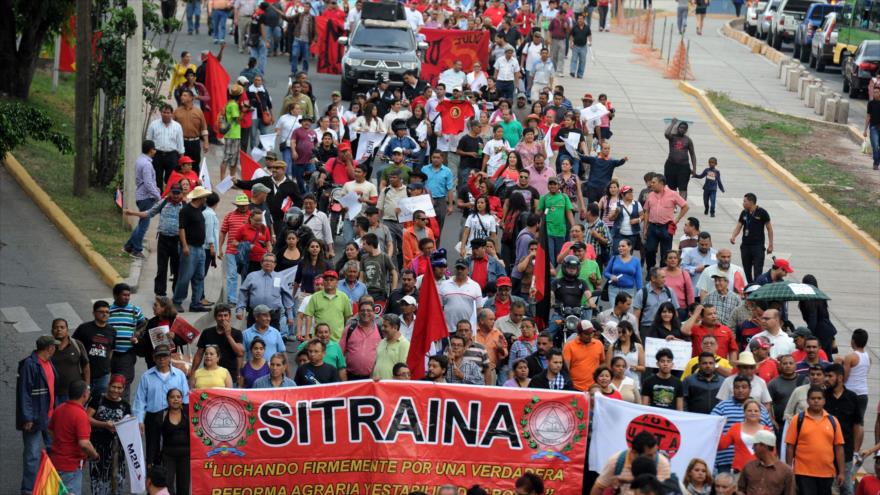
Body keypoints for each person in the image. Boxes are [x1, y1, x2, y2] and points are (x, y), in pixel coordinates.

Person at [134, 345, 189, 466]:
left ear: (170, 357)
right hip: (153, 416)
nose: (161, 359)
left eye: (164, 356)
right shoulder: (146, 376)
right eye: (158, 356)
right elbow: (140, 400)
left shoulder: (180, 375)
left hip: (175, 416)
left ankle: (169, 479)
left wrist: (184, 419)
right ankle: (153, 479)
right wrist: (139, 420)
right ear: (153, 358)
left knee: (172, 449)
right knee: (152, 451)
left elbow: (185, 398)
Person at [17, 335, 59, 494]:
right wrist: (27, 417)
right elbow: (24, 393)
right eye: (54, 346)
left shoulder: (48, 363)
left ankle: (50, 487)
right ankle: (28, 491)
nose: (55, 348)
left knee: (53, 451)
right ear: (49, 348)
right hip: (34, 418)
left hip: (49, 416)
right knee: (32, 455)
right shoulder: (30, 364)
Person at [785, 386, 846, 494]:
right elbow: (790, 446)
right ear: (808, 400)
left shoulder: (833, 421)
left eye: (819, 398)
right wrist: (789, 469)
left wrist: (841, 472)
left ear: (824, 400)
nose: (816, 401)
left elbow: (839, 448)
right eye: (813, 398)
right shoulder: (798, 419)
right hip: (803, 472)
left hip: (827, 472)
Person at [712, 376, 774, 473]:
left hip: (759, 464)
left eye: (744, 387)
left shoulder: (761, 408)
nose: (740, 390)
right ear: (733, 389)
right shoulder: (721, 407)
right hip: (726, 460)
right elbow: (711, 428)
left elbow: (771, 438)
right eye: (737, 387)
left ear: (750, 389)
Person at [49, 380, 99, 493]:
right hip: (71, 466)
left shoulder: (59, 408)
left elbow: (50, 429)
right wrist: (95, 455)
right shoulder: (81, 415)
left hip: (56, 462)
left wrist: (62, 441)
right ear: (84, 395)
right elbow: (84, 443)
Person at [86, 374, 130, 495]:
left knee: (116, 478)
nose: (116, 390)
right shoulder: (98, 400)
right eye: (113, 386)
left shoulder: (125, 406)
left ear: (123, 389)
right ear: (108, 385)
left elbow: (129, 425)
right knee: (99, 478)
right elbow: (86, 418)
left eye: (119, 388)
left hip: (117, 449)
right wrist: (104, 424)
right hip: (98, 447)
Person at [823, 363, 864, 495]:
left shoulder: (852, 397)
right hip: (824, 450)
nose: (826, 379)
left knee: (846, 487)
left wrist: (855, 451)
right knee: (827, 486)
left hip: (846, 451)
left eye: (830, 376)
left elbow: (858, 425)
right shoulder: (822, 396)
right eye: (826, 376)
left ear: (840, 378)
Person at [591, 431, 673, 495]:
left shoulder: (662, 463)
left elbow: (659, 490)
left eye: (656, 452)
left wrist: (628, 481)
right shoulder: (616, 461)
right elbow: (599, 487)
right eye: (649, 455)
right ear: (634, 453)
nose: (654, 457)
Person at [642, 174, 689, 270]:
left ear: (661, 183)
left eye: (654, 182)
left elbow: (685, 206)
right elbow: (646, 211)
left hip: (666, 227)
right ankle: (651, 269)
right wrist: (645, 228)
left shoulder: (673, 194)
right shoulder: (650, 195)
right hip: (652, 226)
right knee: (649, 250)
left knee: (665, 252)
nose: (651, 184)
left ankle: (663, 271)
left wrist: (676, 220)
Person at [73, 301, 117, 397]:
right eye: (101, 311)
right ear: (94, 313)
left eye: (107, 312)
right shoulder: (83, 328)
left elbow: (111, 350)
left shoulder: (112, 331)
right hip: (83, 374)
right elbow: (74, 345)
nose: (104, 314)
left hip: (103, 376)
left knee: (98, 405)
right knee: (81, 402)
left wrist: (107, 366)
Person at [717, 398, 774, 472]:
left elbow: (772, 453)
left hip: (761, 472)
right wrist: (719, 427)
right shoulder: (735, 427)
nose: (753, 413)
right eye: (749, 410)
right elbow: (722, 445)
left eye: (756, 411)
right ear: (744, 412)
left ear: (760, 413)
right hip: (739, 472)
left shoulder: (767, 430)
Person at [730, 193, 774, 284]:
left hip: (758, 246)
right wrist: (733, 236)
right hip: (745, 246)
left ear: (751, 202)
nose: (743, 203)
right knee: (746, 270)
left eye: (744, 201)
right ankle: (749, 286)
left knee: (758, 270)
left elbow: (769, 229)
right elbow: (739, 225)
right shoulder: (744, 212)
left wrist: (770, 245)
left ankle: (757, 287)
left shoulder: (762, 212)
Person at [737, 430, 795, 495]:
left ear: (763, 446)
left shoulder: (786, 471)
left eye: (755, 445)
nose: (753, 447)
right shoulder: (748, 467)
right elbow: (740, 490)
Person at [798, 274, 837, 359]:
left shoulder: (809, 300)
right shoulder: (820, 297)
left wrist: (807, 336)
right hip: (828, 330)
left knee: (821, 358)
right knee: (827, 357)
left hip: (821, 332)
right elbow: (826, 316)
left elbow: (813, 321)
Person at [50, 319, 89, 404]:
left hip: (75, 394)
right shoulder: (48, 347)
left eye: (62, 327)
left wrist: (87, 387)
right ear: (52, 331)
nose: (59, 330)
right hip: (54, 393)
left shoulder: (77, 345)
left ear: (67, 330)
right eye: (56, 328)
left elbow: (86, 366)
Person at [633, 268, 679, 337]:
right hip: (647, 328)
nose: (665, 280)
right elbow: (636, 316)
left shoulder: (669, 292)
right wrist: (636, 334)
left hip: (665, 328)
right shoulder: (642, 293)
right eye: (662, 277)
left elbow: (675, 312)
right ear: (653, 278)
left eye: (665, 277)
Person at [563, 320, 605, 391]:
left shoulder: (599, 344)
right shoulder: (569, 346)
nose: (590, 336)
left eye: (591, 333)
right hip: (575, 388)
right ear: (579, 334)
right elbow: (565, 369)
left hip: (594, 388)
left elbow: (602, 363)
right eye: (586, 334)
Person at [768, 354, 806, 427]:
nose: (788, 366)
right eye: (785, 363)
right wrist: (772, 420)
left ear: (795, 365)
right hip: (782, 423)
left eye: (791, 363)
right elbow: (767, 404)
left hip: (803, 422)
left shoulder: (805, 381)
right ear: (780, 366)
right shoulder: (773, 383)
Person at [663, 118, 697, 199]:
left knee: (683, 187)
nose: (682, 129)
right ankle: (672, 204)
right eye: (681, 127)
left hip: (684, 167)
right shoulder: (672, 138)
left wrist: (694, 169)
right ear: (677, 128)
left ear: (686, 130)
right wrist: (672, 123)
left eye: (684, 128)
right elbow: (667, 134)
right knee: (671, 187)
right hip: (671, 165)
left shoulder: (688, 140)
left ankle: (683, 205)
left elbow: (692, 154)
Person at [842, 328, 870, 421]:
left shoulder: (850, 357)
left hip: (850, 392)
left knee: (847, 421)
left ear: (853, 341)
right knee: (859, 422)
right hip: (863, 393)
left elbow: (844, 378)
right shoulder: (868, 357)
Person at [373, 314, 411, 380]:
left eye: (385, 326)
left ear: (395, 327)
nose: (382, 329)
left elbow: (403, 372)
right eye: (382, 326)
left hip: (392, 387)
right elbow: (376, 364)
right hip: (378, 386)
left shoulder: (404, 344)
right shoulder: (382, 342)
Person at [867, 86, 880, 170]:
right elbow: (868, 116)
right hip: (873, 128)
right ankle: (876, 163)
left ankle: (877, 160)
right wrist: (865, 129)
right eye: (874, 92)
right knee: (875, 146)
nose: (875, 94)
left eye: (877, 92)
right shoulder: (870, 103)